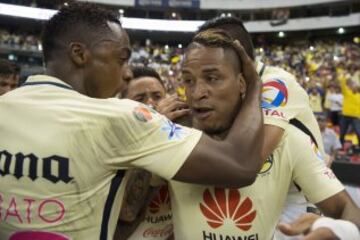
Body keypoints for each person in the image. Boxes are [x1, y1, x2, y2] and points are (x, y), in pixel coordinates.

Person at [0, 3, 264, 240]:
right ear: (80, 54)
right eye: (121, 58)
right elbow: (240, 166)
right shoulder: (118, 116)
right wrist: (253, 85)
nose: (127, 72)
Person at [167, 28, 360, 240]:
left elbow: (349, 211)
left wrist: (337, 231)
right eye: (188, 80)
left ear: (243, 83)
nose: (197, 93)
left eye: (212, 78)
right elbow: (130, 216)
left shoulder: (288, 139)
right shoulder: (168, 135)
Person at [196, 16, 326, 239]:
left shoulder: (277, 84)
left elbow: (247, 159)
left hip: (294, 206)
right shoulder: (230, 85)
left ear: (235, 52)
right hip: (263, 192)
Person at [337, 69, 360, 147]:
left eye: (355, 85)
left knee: (358, 132)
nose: (353, 86)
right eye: (352, 85)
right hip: (345, 116)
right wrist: (344, 76)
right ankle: (340, 146)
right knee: (342, 132)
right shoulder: (347, 93)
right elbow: (342, 84)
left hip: (355, 117)